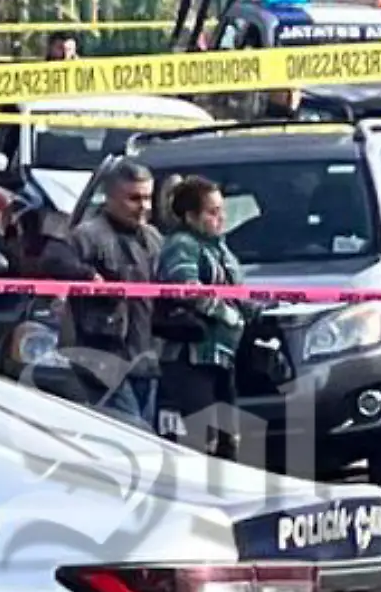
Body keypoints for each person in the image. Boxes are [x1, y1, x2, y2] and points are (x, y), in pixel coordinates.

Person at [154, 176, 254, 459]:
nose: (220, 218)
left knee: (228, 438)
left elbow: (238, 292)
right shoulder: (181, 245)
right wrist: (227, 314)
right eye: (212, 212)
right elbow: (186, 288)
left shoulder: (220, 247)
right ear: (190, 216)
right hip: (190, 358)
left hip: (222, 358)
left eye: (222, 210)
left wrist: (259, 309)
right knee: (200, 438)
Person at [67, 158, 163, 429]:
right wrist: (86, 276)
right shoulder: (87, 236)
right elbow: (54, 262)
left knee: (146, 438)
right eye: (134, 198)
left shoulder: (153, 238)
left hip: (146, 360)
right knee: (128, 433)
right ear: (110, 197)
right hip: (104, 360)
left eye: (148, 198)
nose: (143, 207)